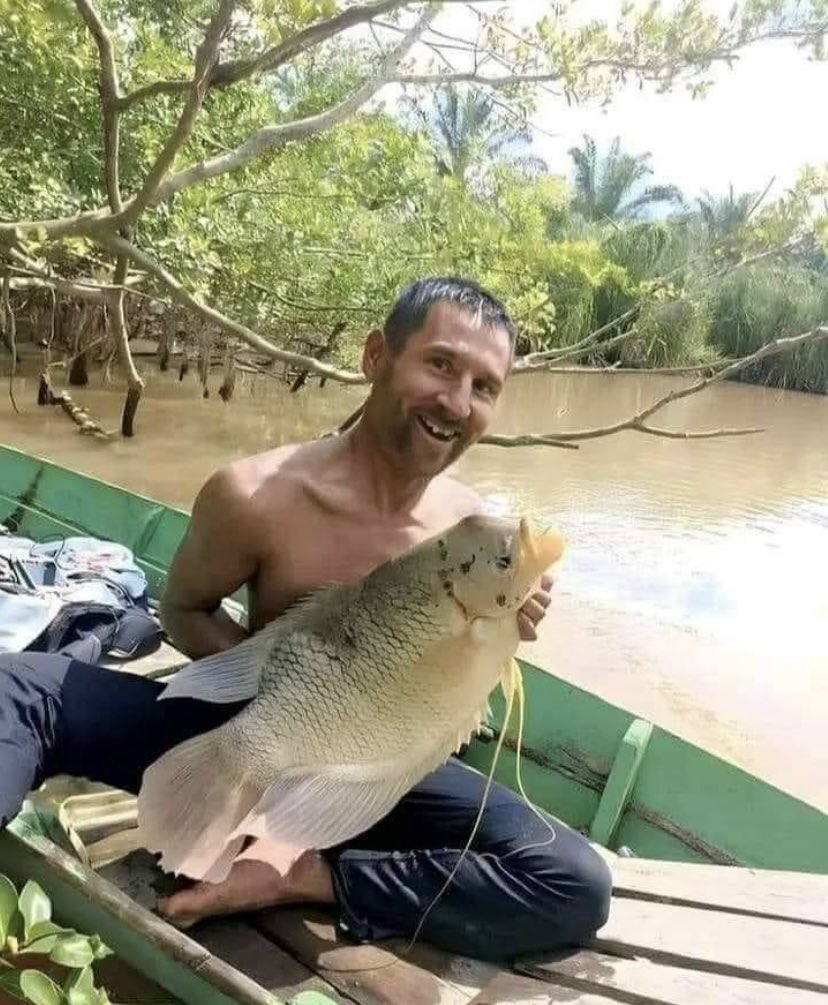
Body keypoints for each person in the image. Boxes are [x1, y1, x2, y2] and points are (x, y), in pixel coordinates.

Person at [0, 277, 611, 962]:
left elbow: (459, 697)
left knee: (573, 880)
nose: (458, 402)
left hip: (383, 768)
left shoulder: (472, 526)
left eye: (485, 386)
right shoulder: (256, 494)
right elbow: (181, 607)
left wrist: (508, 631)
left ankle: (308, 877)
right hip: (256, 731)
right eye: (440, 364)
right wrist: (278, 696)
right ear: (376, 355)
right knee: (19, 685)